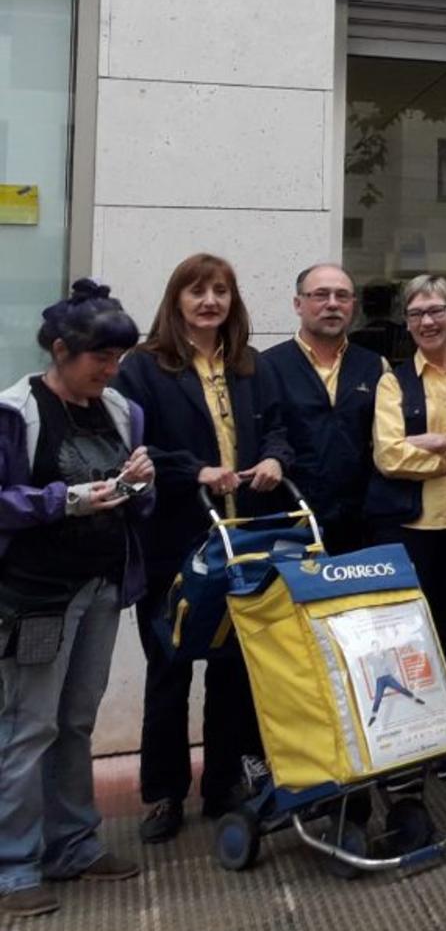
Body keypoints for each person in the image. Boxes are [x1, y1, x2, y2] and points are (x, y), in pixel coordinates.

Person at [114, 253, 290, 842]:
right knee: (169, 669)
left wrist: (273, 458)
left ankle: (223, 786)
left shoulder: (250, 366)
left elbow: (279, 429)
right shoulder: (143, 369)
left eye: (220, 291)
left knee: (234, 671)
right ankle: (163, 795)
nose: (210, 301)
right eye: (197, 291)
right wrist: (194, 471)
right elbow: (133, 452)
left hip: (244, 541)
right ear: (176, 299)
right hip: (177, 542)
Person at [0, 281, 154, 917]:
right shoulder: (16, 412)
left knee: (76, 722)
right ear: (61, 350)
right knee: (26, 726)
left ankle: (74, 845)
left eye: (118, 357)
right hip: (35, 596)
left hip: (100, 588)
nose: (110, 370)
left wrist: (140, 486)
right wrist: (63, 500)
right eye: (100, 358)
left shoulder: (120, 410)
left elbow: (138, 502)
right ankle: (13, 869)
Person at [365, 275, 446, 780]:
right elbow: (389, 454)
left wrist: (436, 441)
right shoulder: (393, 380)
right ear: (407, 322)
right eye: (416, 313)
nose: (427, 322)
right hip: (414, 525)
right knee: (408, 637)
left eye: (436, 310)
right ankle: (412, 739)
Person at [259, 263, 386, 554]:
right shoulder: (265, 367)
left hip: (360, 524)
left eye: (342, 296)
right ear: (298, 304)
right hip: (289, 522)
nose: (332, 304)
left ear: (353, 305)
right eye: (321, 295)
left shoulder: (375, 366)